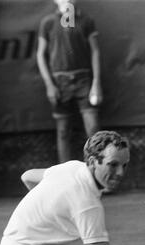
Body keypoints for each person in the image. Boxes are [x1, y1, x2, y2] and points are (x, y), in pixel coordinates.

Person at [0, 131, 130, 245]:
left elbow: (27, 176)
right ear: (94, 162)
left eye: (124, 165)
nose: (121, 172)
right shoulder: (88, 205)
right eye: (113, 165)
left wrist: (48, 209)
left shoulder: (71, 167)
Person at [37, 0, 103, 163]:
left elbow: (95, 52)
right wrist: (49, 85)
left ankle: (98, 176)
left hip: (84, 81)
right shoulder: (48, 22)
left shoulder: (86, 20)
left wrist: (96, 82)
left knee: (93, 129)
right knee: (63, 131)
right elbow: (40, 55)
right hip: (59, 83)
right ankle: (64, 179)